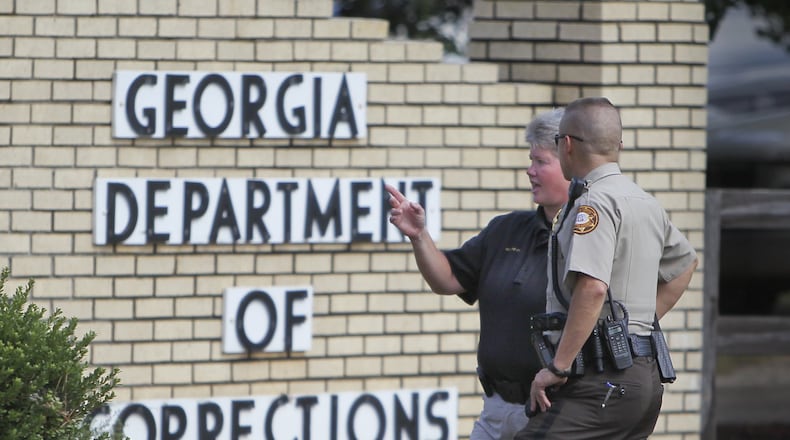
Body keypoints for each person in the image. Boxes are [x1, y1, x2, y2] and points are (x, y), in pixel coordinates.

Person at [515, 97, 698, 439]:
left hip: (601, 379)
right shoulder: (644, 201)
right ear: (618, 146)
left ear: (567, 144)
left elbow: (593, 287)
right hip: (643, 376)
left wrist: (557, 367)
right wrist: (633, 326)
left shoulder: (592, 203)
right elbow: (685, 265)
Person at [385, 109, 570, 440]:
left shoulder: (589, 237)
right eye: (530, 160)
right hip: (496, 410)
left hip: (555, 412)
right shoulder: (505, 229)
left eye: (541, 162)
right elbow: (446, 280)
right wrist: (419, 236)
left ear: (571, 165)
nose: (530, 171)